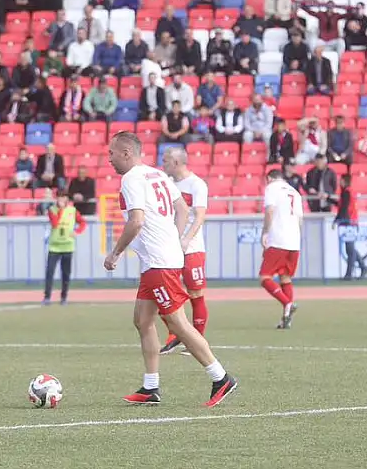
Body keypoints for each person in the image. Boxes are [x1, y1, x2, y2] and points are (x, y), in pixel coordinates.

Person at [102, 132, 238, 407]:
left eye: (112, 154)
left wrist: (115, 253)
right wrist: (174, 239)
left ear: (127, 153)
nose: (109, 159)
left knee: (177, 323)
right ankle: (151, 387)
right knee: (142, 320)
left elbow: (136, 221)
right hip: (159, 259)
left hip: (160, 262)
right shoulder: (158, 176)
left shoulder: (131, 179)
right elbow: (182, 209)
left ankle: (220, 377)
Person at [158, 148, 210, 355]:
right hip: (169, 248)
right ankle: (176, 335)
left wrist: (186, 240)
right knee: (163, 292)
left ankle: (197, 339)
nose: (163, 164)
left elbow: (199, 215)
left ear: (177, 162)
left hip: (191, 248)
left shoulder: (196, 184)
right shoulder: (167, 184)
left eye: (166, 160)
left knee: (195, 293)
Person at [261, 168, 304, 329]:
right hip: (294, 241)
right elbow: (300, 219)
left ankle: (287, 303)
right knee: (286, 278)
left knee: (265, 277)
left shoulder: (272, 188)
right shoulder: (295, 192)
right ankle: (287, 317)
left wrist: (265, 232)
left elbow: (270, 211)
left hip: (279, 238)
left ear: (270, 178)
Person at [42, 193, 86, 305]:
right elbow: (55, 224)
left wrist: (77, 232)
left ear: (67, 199)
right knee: (50, 272)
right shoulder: (52, 210)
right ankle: (47, 297)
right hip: (54, 246)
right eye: (59, 197)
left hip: (68, 246)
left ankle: (64, 297)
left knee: (65, 273)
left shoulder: (72, 210)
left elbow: (82, 222)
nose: (61, 200)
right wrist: (60, 209)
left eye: (64, 197)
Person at [333, 174, 367, 280]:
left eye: (341, 180)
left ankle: (350, 273)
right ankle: (362, 267)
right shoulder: (348, 192)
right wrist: (329, 198)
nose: (339, 182)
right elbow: (341, 205)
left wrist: (337, 220)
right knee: (350, 248)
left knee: (350, 249)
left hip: (349, 222)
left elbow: (343, 207)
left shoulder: (346, 192)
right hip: (352, 221)